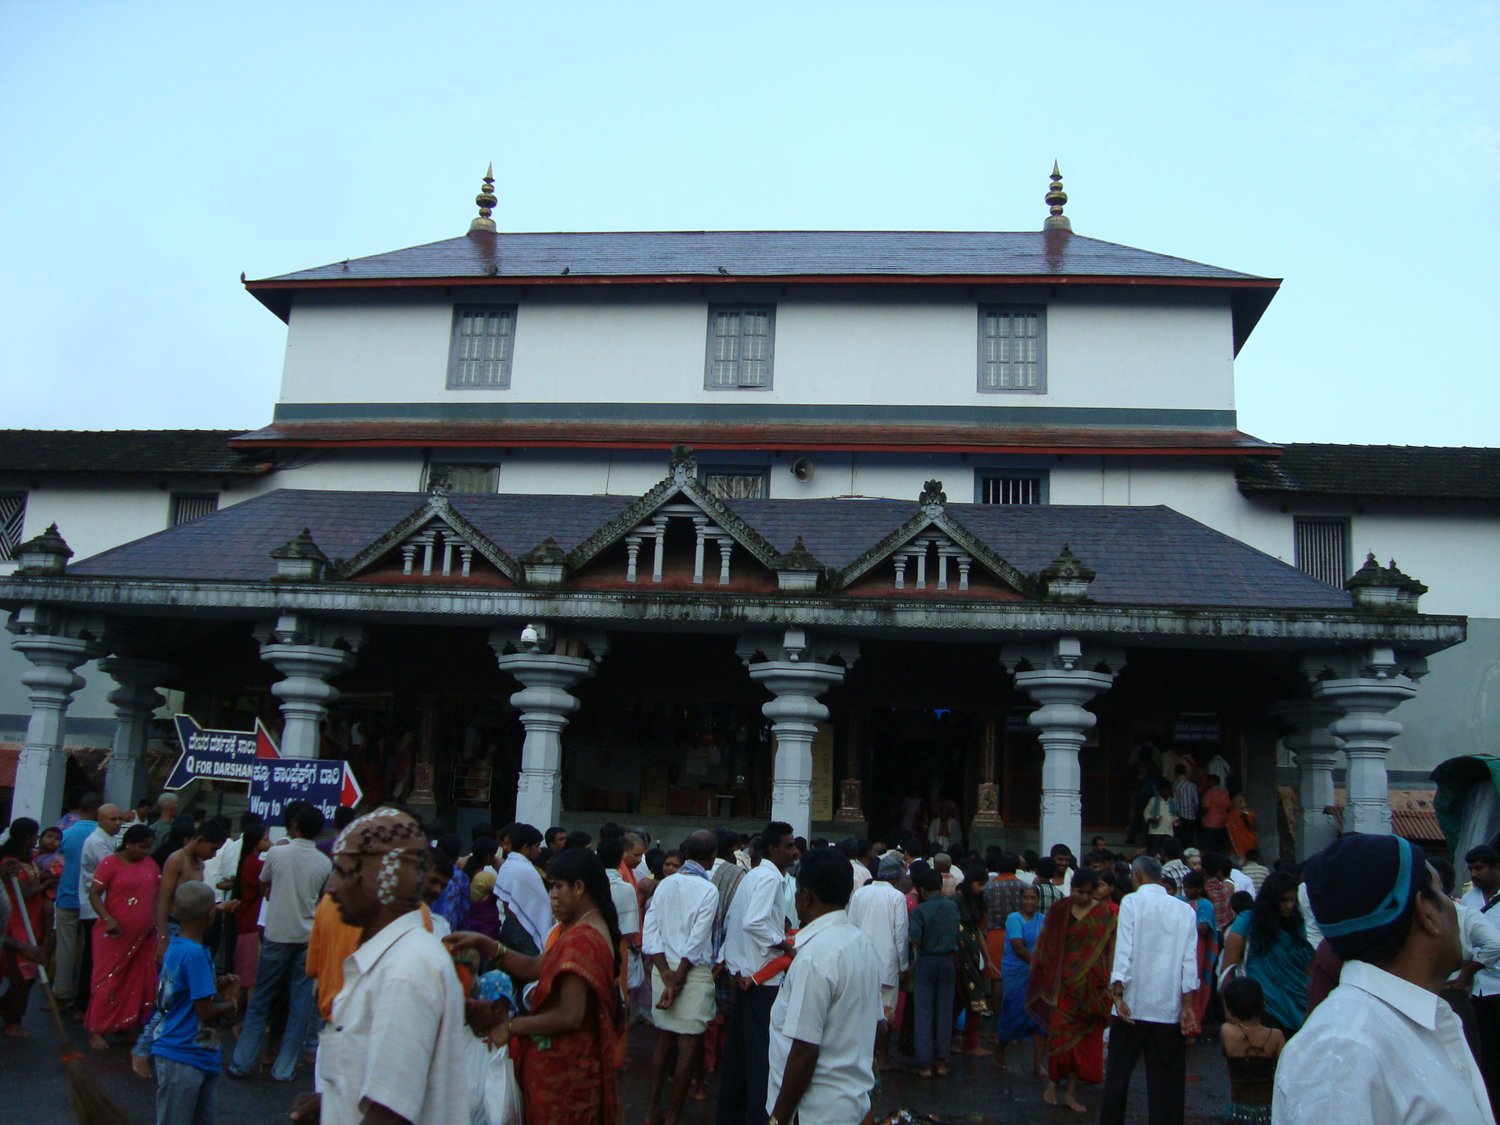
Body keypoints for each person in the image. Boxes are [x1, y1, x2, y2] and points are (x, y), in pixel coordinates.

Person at [1274, 833, 1494, 1124]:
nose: (1456, 907)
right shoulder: (1344, 1048)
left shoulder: (1412, 1020)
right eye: (1442, 892)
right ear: (1426, 912)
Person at [291, 808, 470, 1125]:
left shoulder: (406, 969)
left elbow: (390, 1113)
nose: (331, 888)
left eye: (344, 873)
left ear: (383, 882)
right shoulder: (391, 957)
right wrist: (335, 1101)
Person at [446, 845, 625, 1125]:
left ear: (579, 888)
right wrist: (488, 945)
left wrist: (511, 1026)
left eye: (557, 887)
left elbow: (570, 1015)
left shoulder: (583, 939)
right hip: (564, 1070)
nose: (552, 897)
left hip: (566, 1078)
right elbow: (533, 967)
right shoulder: (577, 928)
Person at [766, 846, 882, 1125]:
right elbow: (879, 1026)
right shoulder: (862, 944)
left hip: (814, 1111)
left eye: (797, 892)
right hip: (850, 1104)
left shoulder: (814, 956)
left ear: (807, 898)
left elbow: (804, 1050)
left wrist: (778, 1119)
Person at [227, 803, 330, 1082]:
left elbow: (265, 887)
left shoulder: (277, 853)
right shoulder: (324, 861)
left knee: (261, 999)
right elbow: (323, 897)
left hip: (276, 934)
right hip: (306, 937)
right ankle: (283, 1068)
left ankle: (241, 1062)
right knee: (299, 1005)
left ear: (293, 825)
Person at [1099, 855, 1199, 1125]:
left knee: (1118, 1077)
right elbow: (1190, 963)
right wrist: (1188, 1007)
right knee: (1168, 1083)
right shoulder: (1185, 910)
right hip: (1168, 1008)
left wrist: (1117, 993)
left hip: (1132, 1004)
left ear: (1137, 876)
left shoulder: (1132, 902)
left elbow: (1124, 950)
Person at [718, 821, 799, 1125]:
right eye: (789, 846)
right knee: (761, 1057)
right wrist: (783, 944)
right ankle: (758, 1114)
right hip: (761, 978)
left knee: (740, 1054)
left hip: (747, 973)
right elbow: (754, 922)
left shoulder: (757, 876)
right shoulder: (768, 879)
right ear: (773, 849)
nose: (794, 852)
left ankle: (732, 1115)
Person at [641, 829, 719, 1125]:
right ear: (711, 858)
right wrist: (679, 977)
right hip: (691, 970)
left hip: (665, 966)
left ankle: (651, 1111)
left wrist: (665, 974)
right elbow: (698, 938)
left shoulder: (664, 884)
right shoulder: (708, 890)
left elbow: (651, 929)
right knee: (687, 1042)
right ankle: (672, 1115)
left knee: (663, 1038)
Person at [1026, 866, 1115, 1113]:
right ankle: (1053, 1084)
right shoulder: (1059, 910)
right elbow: (1046, 945)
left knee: (1083, 1043)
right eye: (1079, 892)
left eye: (1088, 893)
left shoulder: (1104, 914)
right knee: (1060, 1038)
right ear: (1071, 888)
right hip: (1062, 985)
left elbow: (1110, 949)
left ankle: (1071, 1093)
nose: (1084, 898)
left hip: (1091, 988)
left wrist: (1110, 983)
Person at [151, 880, 238, 1125]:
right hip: (185, 1055)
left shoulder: (177, 946)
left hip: (187, 1054)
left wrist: (214, 986)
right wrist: (232, 1004)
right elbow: (205, 1011)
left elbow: (185, 993)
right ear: (210, 914)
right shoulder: (196, 955)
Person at [84, 824, 161, 1048]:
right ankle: (97, 1030)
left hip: (143, 935)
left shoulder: (151, 864)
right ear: (128, 844)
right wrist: (107, 919)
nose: (145, 852)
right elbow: (94, 894)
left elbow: (156, 895)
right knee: (108, 981)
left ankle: (126, 1025)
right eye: (141, 847)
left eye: (148, 847)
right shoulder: (110, 863)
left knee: (138, 981)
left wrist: (157, 926)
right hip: (113, 934)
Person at [1219, 872, 1313, 1034]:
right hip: (1264, 1008)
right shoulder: (1247, 922)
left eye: (1292, 900)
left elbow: (1305, 964)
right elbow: (1227, 971)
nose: (1289, 906)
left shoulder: (1296, 924)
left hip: (1299, 1003)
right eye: (1284, 900)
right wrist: (1229, 1012)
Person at [847, 852, 908, 1072]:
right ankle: (882, 1057)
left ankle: (864, 1055)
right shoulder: (896, 897)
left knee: (862, 1010)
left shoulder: (860, 894)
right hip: (886, 963)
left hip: (861, 961)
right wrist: (904, 965)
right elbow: (900, 933)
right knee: (884, 1012)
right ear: (896, 877)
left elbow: (851, 924)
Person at [908, 864, 959, 1079]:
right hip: (948, 961)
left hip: (927, 961)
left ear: (922, 890)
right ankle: (942, 1062)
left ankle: (924, 1064)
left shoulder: (920, 910)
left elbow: (915, 940)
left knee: (924, 1012)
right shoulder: (952, 907)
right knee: (945, 1012)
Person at [53, 791, 101, 1016]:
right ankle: (82, 999)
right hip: (93, 902)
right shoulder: (101, 837)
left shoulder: (67, 835)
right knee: (87, 952)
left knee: (66, 949)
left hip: (67, 896)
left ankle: (62, 995)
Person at [0, 819, 49, 1036]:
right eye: (35, 835)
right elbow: (25, 892)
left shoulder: (29, 860)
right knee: (21, 974)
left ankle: (6, 1008)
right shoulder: (9, 863)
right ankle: (12, 1021)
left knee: (30, 974)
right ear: (28, 837)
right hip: (16, 921)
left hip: (33, 919)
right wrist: (45, 885)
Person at [1218, 975, 1283, 1125]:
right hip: (1266, 1112)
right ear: (1263, 1004)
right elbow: (1284, 1071)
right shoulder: (1276, 1036)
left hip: (1237, 1112)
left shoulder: (1227, 1032)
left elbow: (1224, 1053)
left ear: (1231, 1010)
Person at [1464, 844, 1500, 1117]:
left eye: (1480, 868)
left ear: (1496, 868)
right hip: (1478, 989)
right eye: (1472, 869)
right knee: (1486, 1056)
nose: (1475, 874)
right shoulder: (1468, 900)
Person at [996, 884, 1046, 1076]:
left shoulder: (1043, 919)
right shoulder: (1014, 919)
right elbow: (1017, 946)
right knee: (1013, 1011)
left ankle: (1037, 1063)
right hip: (1017, 972)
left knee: (1040, 1016)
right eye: (1026, 898)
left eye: (1033, 898)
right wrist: (1037, 963)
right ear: (1020, 900)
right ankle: (1000, 1050)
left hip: (1037, 973)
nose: (1029, 902)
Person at [495, 823, 553, 956]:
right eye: (537, 846)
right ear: (526, 847)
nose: (540, 850)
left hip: (511, 927)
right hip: (524, 930)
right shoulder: (524, 869)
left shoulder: (509, 864)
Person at [1181, 870, 1218, 1035]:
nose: (1186, 891)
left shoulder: (1205, 905)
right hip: (1181, 947)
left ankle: (1193, 1026)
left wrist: (1183, 927)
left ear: (1199, 888)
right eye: (1184, 887)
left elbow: (1203, 929)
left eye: (1189, 888)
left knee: (1194, 982)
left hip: (1198, 949)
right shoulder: (1180, 901)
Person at [1199, 774, 1232, 853]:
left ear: (1211, 782)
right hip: (1222, 823)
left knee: (1210, 846)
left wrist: (1202, 816)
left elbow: (1206, 807)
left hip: (1210, 823)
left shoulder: (1209, 793)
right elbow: (1229, 807)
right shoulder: (1224, 793)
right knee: (1219, 846)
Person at [1226, 795, 1259, 860]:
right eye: (1239, 801)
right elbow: (1229, 830)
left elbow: (1254, 827)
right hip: (1237, 844)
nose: (1240, 802)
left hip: (1250, 841)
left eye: (1241, 800)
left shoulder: (1251, 814)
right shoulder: (1231, 815)